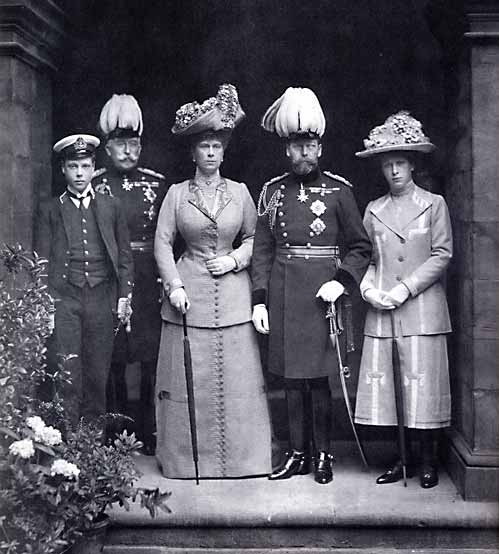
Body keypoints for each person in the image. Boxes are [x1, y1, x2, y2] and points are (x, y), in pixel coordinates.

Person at [251, 87, 372, 484]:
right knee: (289, 379)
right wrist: (260, 301)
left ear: (320, 147)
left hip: (324, 298)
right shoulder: (271, 192)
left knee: (319, 381)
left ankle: (323, 456)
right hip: (285, 295)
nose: (304, 153)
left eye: (311, 145)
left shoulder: (340, 191)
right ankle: (296, 453)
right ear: (286, 149)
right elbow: (263, 250)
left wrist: (341, 282)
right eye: (297, 146)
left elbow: (360, 246)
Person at [154, 84, 272, 478]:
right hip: (189, 297)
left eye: (216, 146)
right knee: (190, 384)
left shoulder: (240, 193)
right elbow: (162, 243)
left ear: (224, 152)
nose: (209, 152)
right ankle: (186, 463)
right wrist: (175, 286)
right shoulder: (175, 195)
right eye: (203, 146)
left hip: (234, 298)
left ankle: (244, 463)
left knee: (236, 385)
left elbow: (258, 239)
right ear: (192, 152)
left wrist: (236, 259)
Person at [354, 111, 453, 489]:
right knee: (394, 386)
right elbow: (366, 256)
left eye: (400, 163)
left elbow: (442, 255)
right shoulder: (374, 210)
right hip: (384, 310)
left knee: (422, 386)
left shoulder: (434, 204)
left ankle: (427, 459)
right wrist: (367, 288)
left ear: (412, 164)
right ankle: (402, 458)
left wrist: (405, 288)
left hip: (422, 309)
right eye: (388, 164)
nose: (394, 171)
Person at [36, 134, 133, 425]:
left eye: (86, 166)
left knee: (97, 375)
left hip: (101, 299)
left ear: (93, 169)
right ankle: (68, 448)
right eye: (73, 166)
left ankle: (93, 447)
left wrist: (124, 298)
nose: (80, 173)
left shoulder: (111, 206)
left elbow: (124, 257)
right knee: (68, 373)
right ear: (63, 169)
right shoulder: (50, 208)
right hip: (65, 299)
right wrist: (46, 304)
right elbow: (41, 260)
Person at [92, 94, 167, 452]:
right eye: (120, 143)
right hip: (109, 280)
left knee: (149, 358)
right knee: (113, 359)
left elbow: (169, 238)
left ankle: (148, 430)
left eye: (134, 143)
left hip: (148, 279)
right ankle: (115, 430)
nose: (128, 151)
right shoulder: (93, 184)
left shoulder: (156, 184)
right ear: (107, 147)